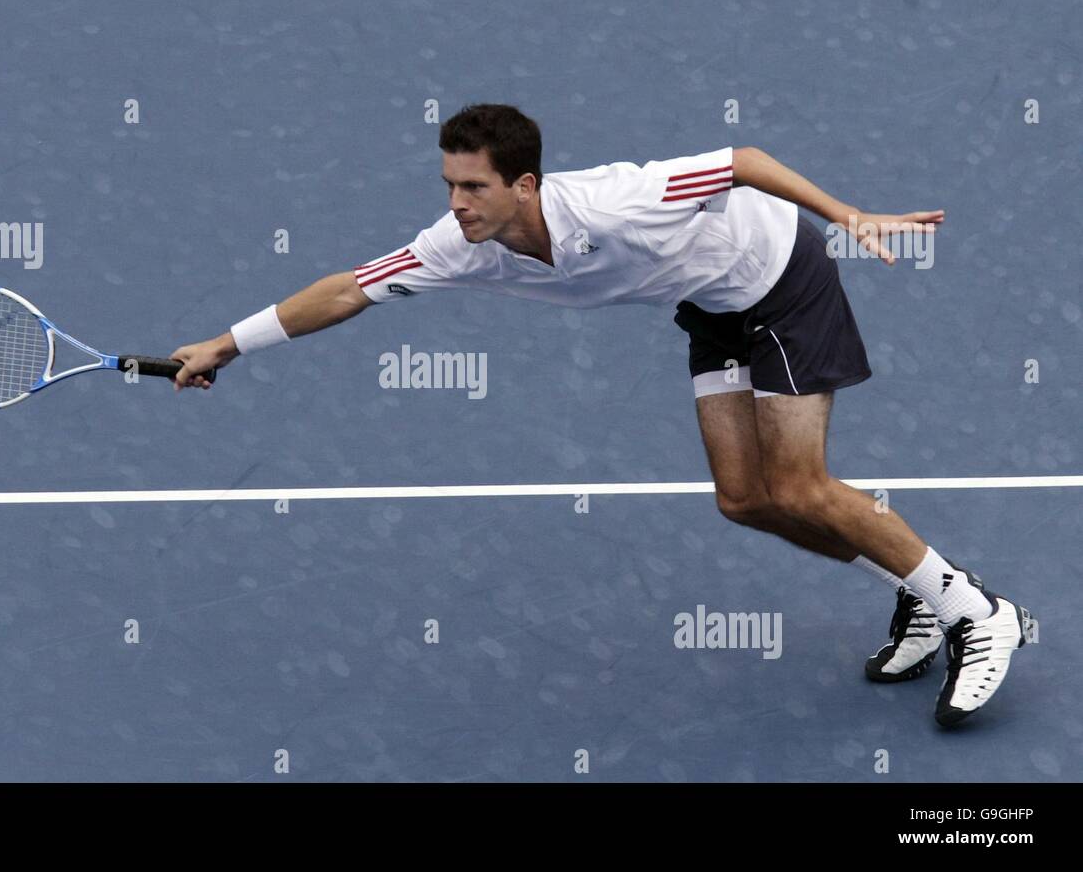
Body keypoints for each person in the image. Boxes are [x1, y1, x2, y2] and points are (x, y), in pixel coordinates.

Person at [169, 103, 1036, 728]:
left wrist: (847, 217)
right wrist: (226, 344)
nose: (457, 203)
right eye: (448, 184)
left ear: (525, 183)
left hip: (781, 282)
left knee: (799, 484)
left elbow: (739, 159)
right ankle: (920, 594)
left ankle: (976, 613)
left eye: (473, 186)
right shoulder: (457, 245)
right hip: (713, 305)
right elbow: (347, 288)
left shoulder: (619, 201)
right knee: (743, 499)